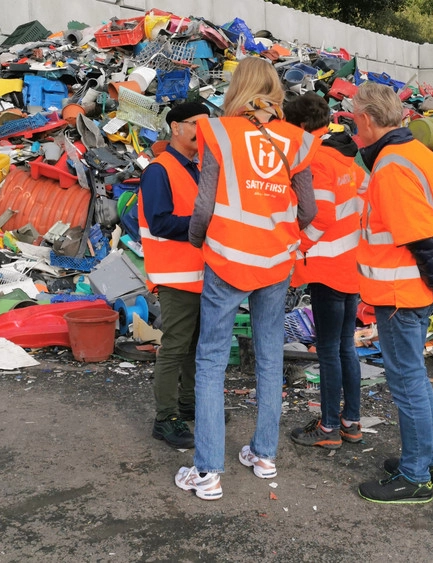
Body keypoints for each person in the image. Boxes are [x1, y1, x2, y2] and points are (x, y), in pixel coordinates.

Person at [175, 57, 321, 501]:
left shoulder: (218, 133)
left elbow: (204, 206)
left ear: (237, 89)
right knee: (270, 356)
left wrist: (199, 239)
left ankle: (208, 473)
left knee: (211, 360)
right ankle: (263, 455)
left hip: (227, 261)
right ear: (276, 90)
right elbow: (309, 210)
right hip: (275, 263)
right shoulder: (296, 141)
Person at [351, 81, 433, 504]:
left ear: (366, 120)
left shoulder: (391, 166)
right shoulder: (420, 154)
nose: (351, 125)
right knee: (415, 380)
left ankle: (416, 476)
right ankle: (430, 459)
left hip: (402, 294)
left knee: (407, 385)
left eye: (353, 118)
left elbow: (423, 240)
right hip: (414, 291)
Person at [283, 94, 368, 450]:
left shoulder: (316, 160)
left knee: (329, 350)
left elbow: (321, 215)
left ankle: (329, 426)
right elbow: (361, 207)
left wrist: (297, 246)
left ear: (299, 126)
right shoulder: (349, 160)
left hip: (327, 268)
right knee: (346, 347)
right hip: (351, 268)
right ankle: (351, 422)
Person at [139, 102, 211, 449]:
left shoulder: (196, 169)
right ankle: (165, 419)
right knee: (175, 349)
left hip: (198, 276)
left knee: (193, 347)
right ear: (176, 128)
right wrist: (207, 226)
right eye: (196, 124)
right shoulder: (159, 170)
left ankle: (188, 405)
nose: (203, 130)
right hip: (175, 277)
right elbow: (160, 222)